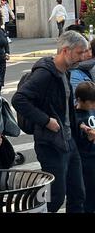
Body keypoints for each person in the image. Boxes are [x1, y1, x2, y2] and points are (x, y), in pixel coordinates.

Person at [12, 30, 87, 213]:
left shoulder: (66, 73)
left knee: (78, 194)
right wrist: (46, 121)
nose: (82, 57)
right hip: (51, 144)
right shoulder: (44, 74)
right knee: (54, 197)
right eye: (79, 53)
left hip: (69, 142)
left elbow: (66, 110)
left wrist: (79, 126)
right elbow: (18, 99)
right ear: (65, 51)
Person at [73, 81, 95, 213]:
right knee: (89, 194)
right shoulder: (75, 117)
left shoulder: (91, 111)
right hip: (86, 161)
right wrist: (88, 137)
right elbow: (76, 141)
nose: (93, 105)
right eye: (91, 103)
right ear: (80, 100)